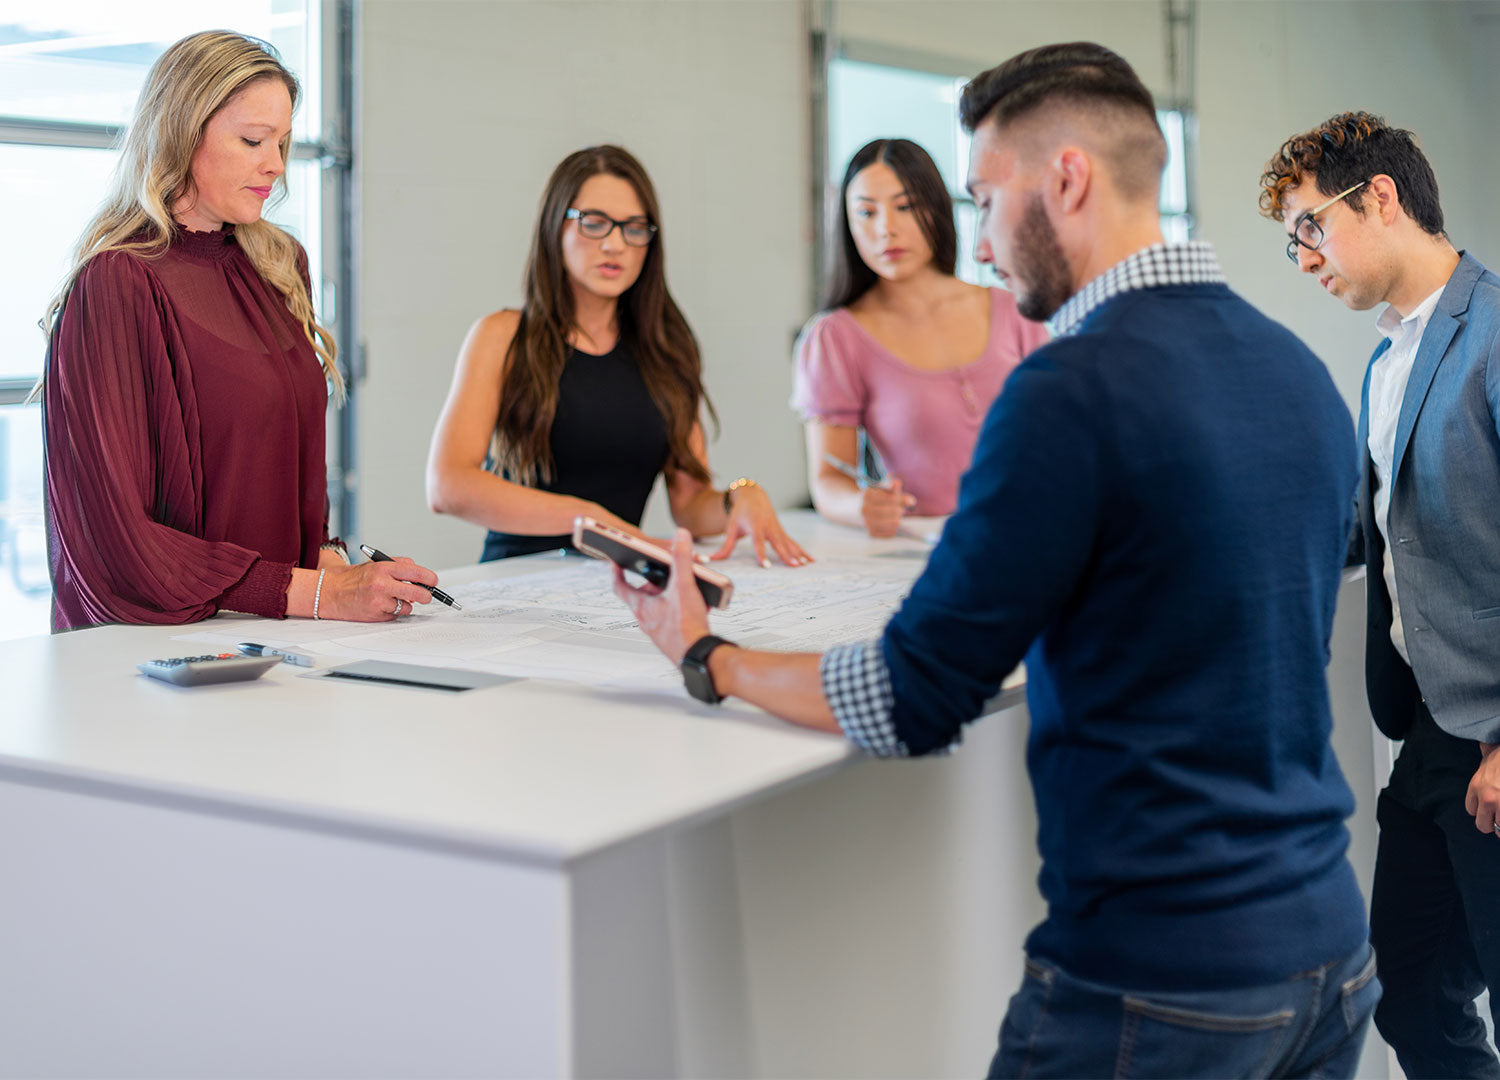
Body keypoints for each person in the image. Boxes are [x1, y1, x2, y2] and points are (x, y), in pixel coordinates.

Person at [615, 43, 1378, 1078]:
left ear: (1064, 179)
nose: (977, 244)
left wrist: (709, 656)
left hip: (1157, 984)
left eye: (982, 199)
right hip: (1331, 965)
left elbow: (914, 692)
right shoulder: (1298, 371)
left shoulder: (1068, 389)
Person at [40, 30, 436, 630]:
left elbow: (281, 470)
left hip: (272, 639)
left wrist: (334, 567)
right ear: (181, 133)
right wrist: (322, 594)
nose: (275, 165)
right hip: (153, 660)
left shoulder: (280, 265)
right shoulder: (118, 282)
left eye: (282, 141)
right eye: (253, 140)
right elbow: (117, 543)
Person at [1261, 112, 1500, 1079]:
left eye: (1307, 227)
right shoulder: (1385, 359)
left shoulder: (1492, 333)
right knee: (1406, 991)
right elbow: (1375, 525)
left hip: (1493, 738)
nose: (1302, 257)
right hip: (1429, 734)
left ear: (1382, 197)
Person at [427, 145, 809, 569]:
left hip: (619, 586)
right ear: (556, 226)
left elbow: (690, 504)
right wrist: (589, 519)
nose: (615, 244)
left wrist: (739, 496)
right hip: (518, 580)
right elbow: (448, 485)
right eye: (594, 223)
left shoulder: (667, 349)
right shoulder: (502, 335)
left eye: (634, 228)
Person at [793, 138, 1046, 536]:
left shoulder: (1015, 310)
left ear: (936, 208)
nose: (885, 229)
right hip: (926, 553)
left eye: (905, 206)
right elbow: (828, 481)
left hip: (1039, 535)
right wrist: (861, 506)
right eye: (866, 212)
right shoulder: (835, 338)